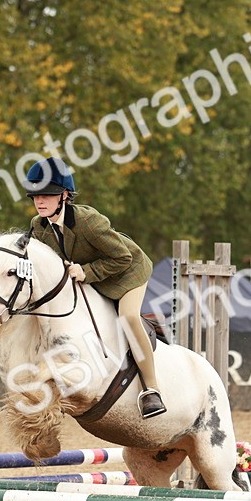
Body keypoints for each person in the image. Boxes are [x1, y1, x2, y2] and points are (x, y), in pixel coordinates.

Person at [22, 158, 164, 419]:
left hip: (127, 272)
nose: (40, 202)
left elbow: (123, 257)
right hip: (89, 278)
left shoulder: (88, 221)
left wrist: (86, 272)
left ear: (64, 196)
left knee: (128, 318)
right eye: (35, 196)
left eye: (47, 195)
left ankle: (151, 390)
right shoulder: (38, 226)